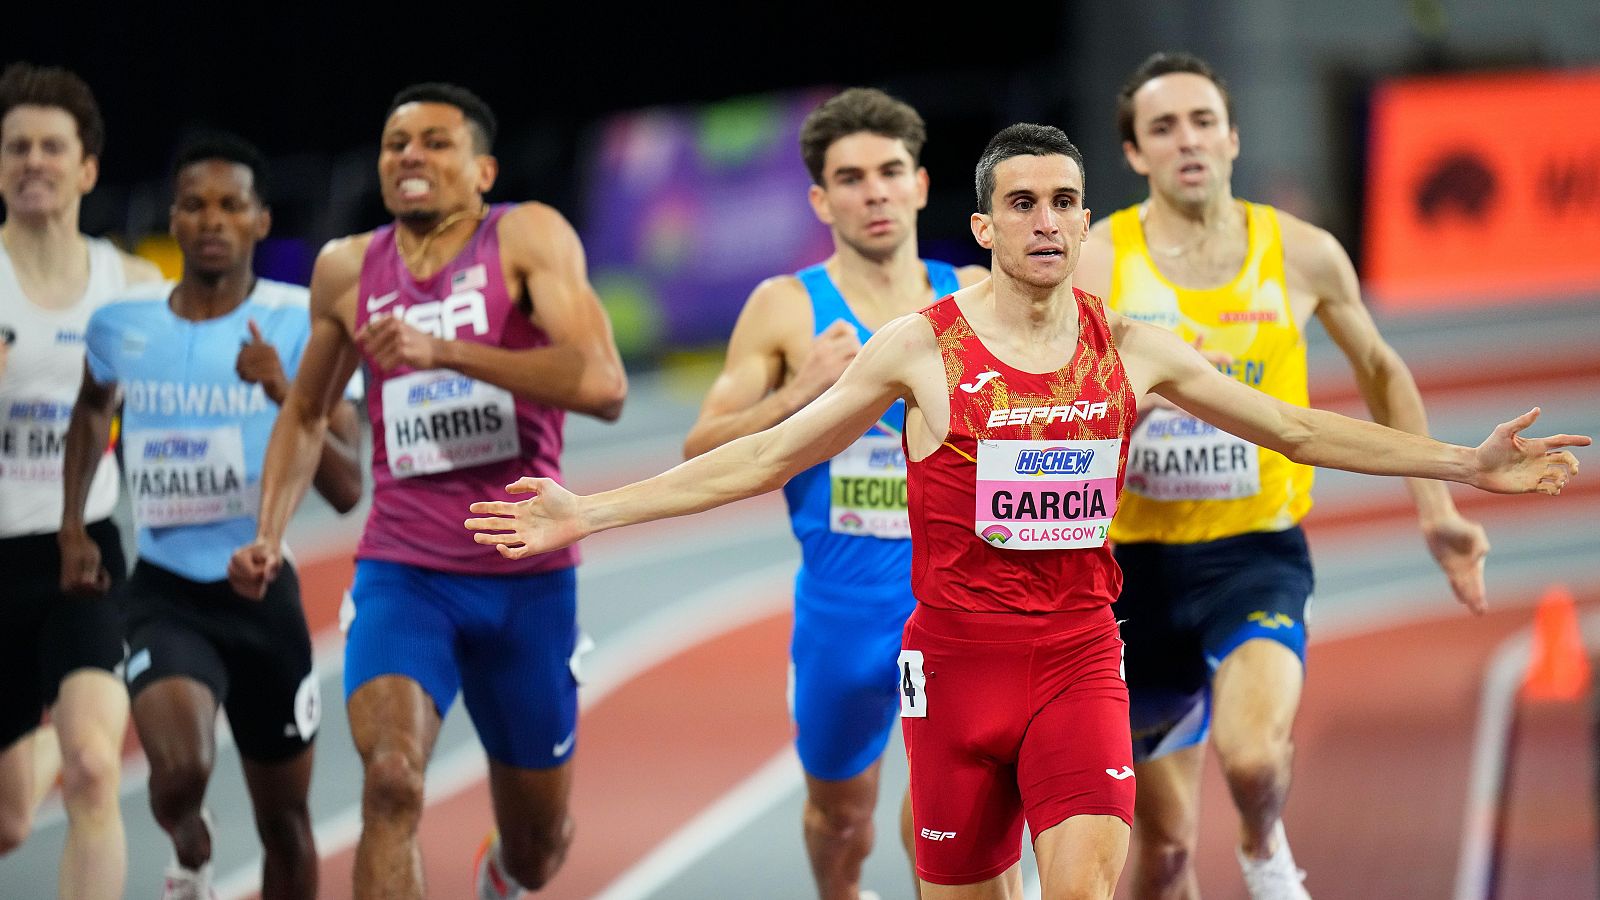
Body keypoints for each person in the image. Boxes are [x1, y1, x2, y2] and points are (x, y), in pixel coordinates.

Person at [464, 124, 1585, 900]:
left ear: (1083, 221)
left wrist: (1462, 465)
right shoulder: (920, 351)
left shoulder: (1134, 347)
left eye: (1062, 203)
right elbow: (760, 456)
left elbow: (1296, 428)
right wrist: (590, 513)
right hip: (952, 674)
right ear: (985, 228)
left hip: (1077, 666)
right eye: (1020, 204)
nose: (1044, 221)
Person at [1071, 51, 1493, 899]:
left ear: (1231, 136)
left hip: (1254, 556)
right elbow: (1068, 416)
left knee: (1255, 755)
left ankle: (1265, 847)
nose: (1186, 140)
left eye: (1200, 121)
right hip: (1129, 571)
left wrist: (1435, 509)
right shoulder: (1097, 261)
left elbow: (1381, 369)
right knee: (1163, 851)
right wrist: (1153, 394)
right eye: (1162, 128)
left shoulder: (1302, 254)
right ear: (1134, 155)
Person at [226, 82, 627, 900]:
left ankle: (505, 877)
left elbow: (603, 384)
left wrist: (444, 352)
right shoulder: (347, 268)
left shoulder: (527, 235)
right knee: (392, 782)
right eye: (395, 144)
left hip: (526, 575)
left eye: (435, 143)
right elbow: (306, 413)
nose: (410, 156)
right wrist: (270, 531)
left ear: (483, 170)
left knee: (539, 844)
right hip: (406, 572)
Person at [682, 86, 985, 899]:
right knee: (840, 820)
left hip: (958, 600)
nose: (875, 191)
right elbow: (701, 446)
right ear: (821, 199)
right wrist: (800, 393)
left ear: (921, 184)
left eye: (891, 171)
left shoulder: (975, 296)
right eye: (851, 178)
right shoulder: (785, 309)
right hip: (842, 606)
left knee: (945, 817)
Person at [59, 132, 362, 900]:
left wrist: (285, 390)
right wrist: (72, 524)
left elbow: (348, 486)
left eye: (232, 205)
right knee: (179, 773)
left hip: (265, 597)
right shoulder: (122, 326)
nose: (212, 219)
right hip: (166, 592)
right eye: (195, 204)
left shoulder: (302, 321)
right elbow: (92, 411)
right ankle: (190, 841)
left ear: (262, 220)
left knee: (286, 822)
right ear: (175, 217)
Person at [0, 61, 162, 900]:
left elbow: (188, 400)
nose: (34, 160)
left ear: (86, 167)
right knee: (9, 823)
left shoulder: (131, 287)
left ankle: (65, 726)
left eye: (51, 146)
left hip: (83, 556)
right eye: (17, 146)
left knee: (96, 768)